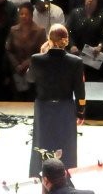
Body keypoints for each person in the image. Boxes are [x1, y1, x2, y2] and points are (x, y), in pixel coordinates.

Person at [29, 23, 85, 175]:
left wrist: (40, 54)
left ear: (49, 39)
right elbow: (80, 90)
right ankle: (66, 174)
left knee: (42, 142)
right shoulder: (75, 61)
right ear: (66, 40)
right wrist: (81, 111)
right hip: (65, 107)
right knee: (66, 143)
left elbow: (29, 78)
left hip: (43, 107)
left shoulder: (37, 59)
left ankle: (40, 174)